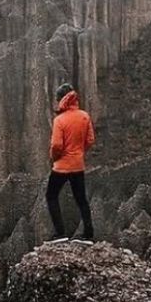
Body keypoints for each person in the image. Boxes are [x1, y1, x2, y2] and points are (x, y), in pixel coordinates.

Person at [46, 81, 95, 242]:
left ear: (61, 99)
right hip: (78, 165)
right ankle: (88, 233)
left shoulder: (60, 120)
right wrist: (79, 152)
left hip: (61, 166)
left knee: (51, 195)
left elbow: (56, 145)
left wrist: (55, 157)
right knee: (81, 199)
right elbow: (90, 140)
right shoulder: (84, 116)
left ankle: (60, 233)